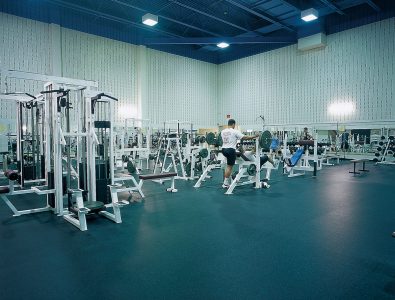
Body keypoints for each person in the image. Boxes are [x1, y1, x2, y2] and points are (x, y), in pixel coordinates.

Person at [221, 119, 259, 188]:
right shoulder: (235, 131)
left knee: (228, 166)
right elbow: (244, 137)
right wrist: (254, 136)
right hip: (230, 150)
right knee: (229, 167)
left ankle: (225, 182)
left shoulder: (223, 131)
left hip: (223, 150)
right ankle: (225, 183)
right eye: (234, 125)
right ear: (233, 124)